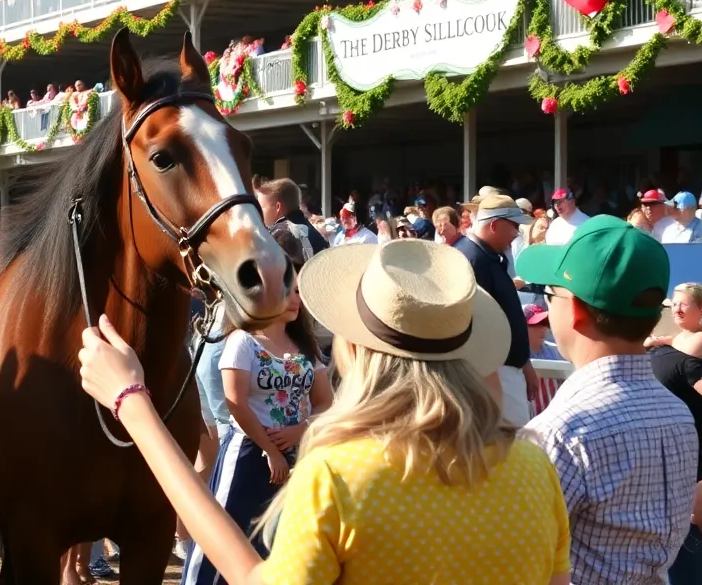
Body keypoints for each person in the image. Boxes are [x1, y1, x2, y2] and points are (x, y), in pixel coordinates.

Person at [78, 239, 571, 584]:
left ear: (354, 349)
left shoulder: (339, 474)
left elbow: (255, 579)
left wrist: (133, 404)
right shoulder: (533, 467)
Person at [519, 215, 697, 585]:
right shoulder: (678, 414)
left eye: (551, 294)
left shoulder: (559, 433)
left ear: (577, 311)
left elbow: (520, 560)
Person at [181, 229, 331, 584]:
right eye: (289, 292)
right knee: (222, 531)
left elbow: (325, 401)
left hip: (296, 453)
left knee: (277, 542)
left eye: (299, 293)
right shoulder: (243, 341)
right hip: (248, 452)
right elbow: (235, 403)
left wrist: (301, 430)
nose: (296, 300)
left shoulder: (306, 347)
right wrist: (270, 449)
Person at [455, 195, 535, 425]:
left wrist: (524, 362)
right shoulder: (472, 259)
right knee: (511, 447)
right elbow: (474, 328)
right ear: (494, 225)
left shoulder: (486, 256)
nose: (516, 233)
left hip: (505, 369)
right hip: (493, 373)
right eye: (514, 226)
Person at [646, 282, 702, 582]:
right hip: (677, 444)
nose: (677, 309)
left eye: (685, 304)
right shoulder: (679, 340)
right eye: (674, 304)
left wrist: (658, 345)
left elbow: (682, 357)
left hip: (695, 448)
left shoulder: (693, 344)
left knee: (691, 526)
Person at [253, 177, 328, 254]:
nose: (258, 211)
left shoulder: (280, 235)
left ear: (278, 207)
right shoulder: (309, 229)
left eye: (262, 207)